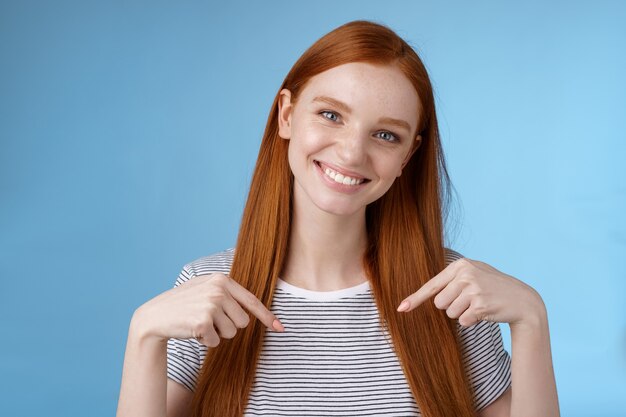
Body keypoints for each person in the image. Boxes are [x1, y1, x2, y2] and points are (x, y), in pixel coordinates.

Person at [116, 20, 560, 417]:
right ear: (287, 115)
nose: (351, 153)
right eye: (331, 115)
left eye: (386, 135)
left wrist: (531, 320)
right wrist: (143, 336)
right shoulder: (208, 289)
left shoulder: (450, 292)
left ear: (409, 155)